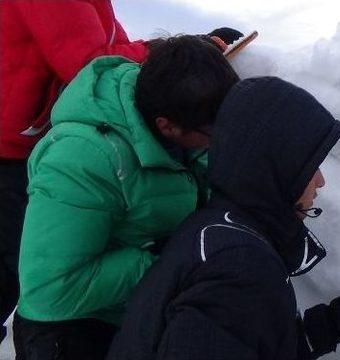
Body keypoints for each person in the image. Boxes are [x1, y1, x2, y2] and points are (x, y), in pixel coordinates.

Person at [0, 1, 243, 343]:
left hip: (33, 139)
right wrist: (161, 263)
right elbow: (90, 64)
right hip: (13, 149)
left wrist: (182, 62)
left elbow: (111, 57)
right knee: (29, 271)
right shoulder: (84, 158)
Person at [108, 77, 340, 359]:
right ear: (279, 167)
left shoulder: (218, 229)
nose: (320, 182)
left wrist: (329, 326)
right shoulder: (239, 267)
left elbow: (246, 339)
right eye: (311, 166)